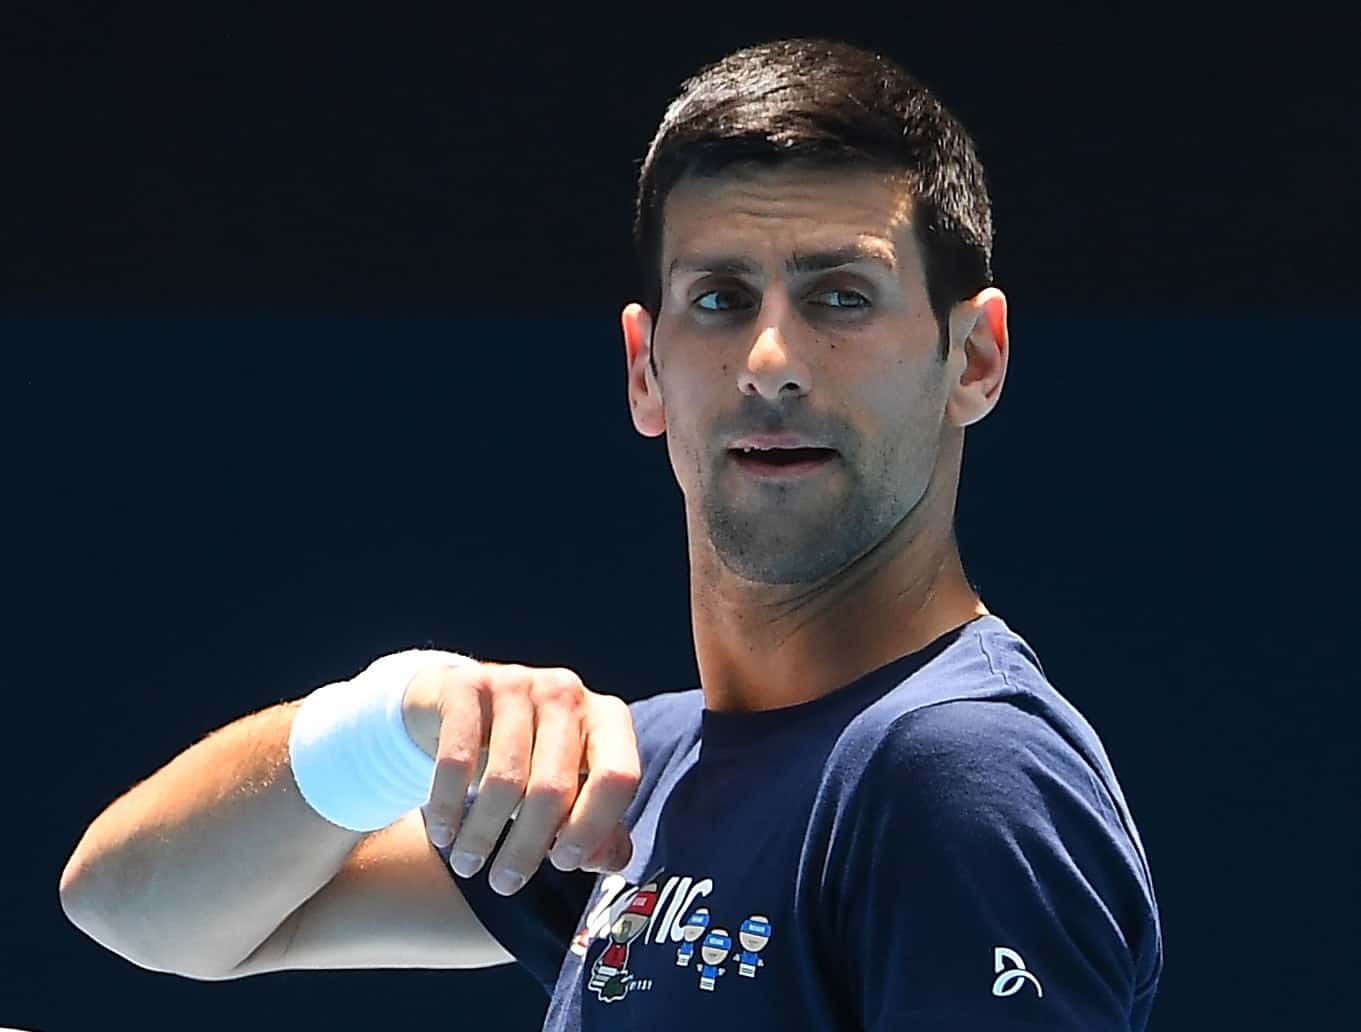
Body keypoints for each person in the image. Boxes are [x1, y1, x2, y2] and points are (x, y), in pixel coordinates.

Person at [58, 36, 1163, 1029]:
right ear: (645, 369)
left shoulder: (951, 770)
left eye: (838, 298)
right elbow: (138, 909)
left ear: (971, 358)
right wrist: (393, 717)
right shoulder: (641, 781)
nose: (769, 362)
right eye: (721, 300)